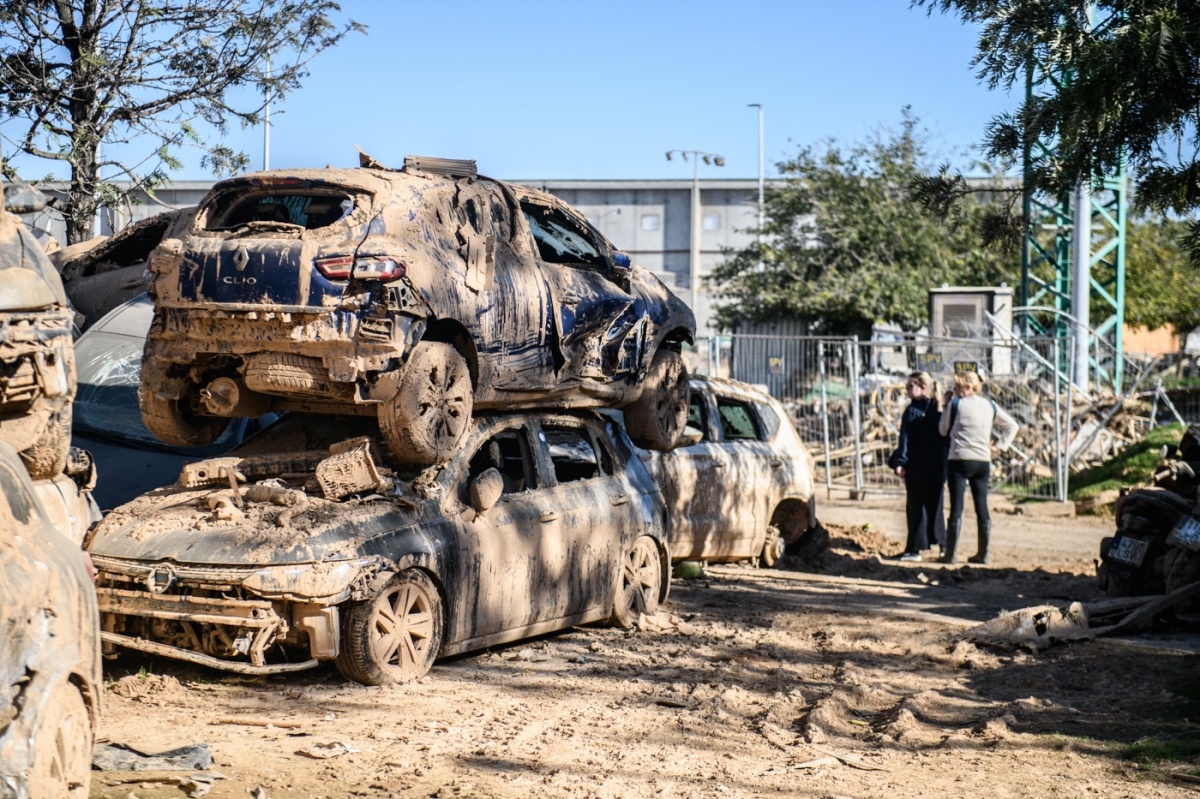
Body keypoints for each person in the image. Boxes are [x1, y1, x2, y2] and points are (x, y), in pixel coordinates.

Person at [937, 371, 1019, 565]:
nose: (955, 390)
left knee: (956, 507)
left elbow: (942, 430)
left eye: (958, 387)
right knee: (981, 506)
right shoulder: (990, 405)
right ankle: (983, 553)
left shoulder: (956, 404)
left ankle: (950, 554)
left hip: (959, 458)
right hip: (982, 460)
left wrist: (945, 405)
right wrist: (999, 446)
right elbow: (1012, 426)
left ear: (968, 387)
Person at [888, 372, 947, 562]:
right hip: (938, 467)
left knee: (916, 508)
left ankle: (914, 548)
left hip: (917, 466)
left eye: (910, 386)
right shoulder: (940, 408)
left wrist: (900, 462)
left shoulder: (912, 410)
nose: (906, 390)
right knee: (936, 506)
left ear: (922, 387)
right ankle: (943, 545)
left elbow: (905, 439)